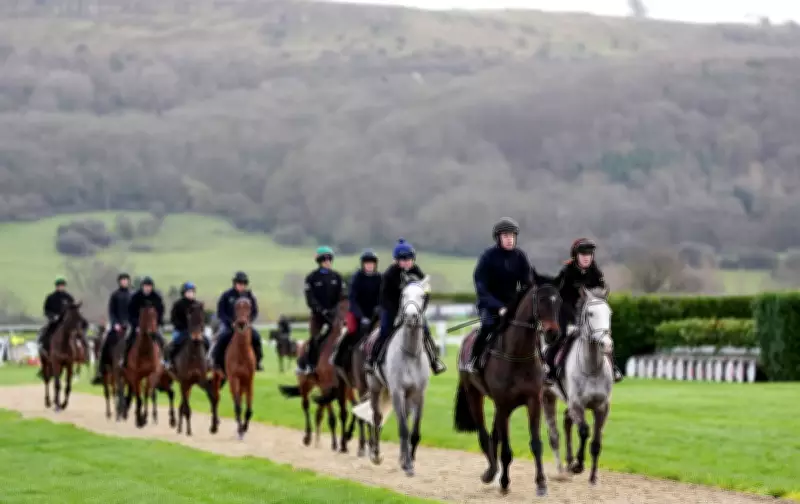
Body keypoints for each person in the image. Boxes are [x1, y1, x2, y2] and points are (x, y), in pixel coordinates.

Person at [544, 238, 623, 383]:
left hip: (589, 314)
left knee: (604, 336)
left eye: (589, 254)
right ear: (576, 256)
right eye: (583, 254)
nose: (587, 258)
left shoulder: (596, 273)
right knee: (560, 336)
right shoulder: (567, 272)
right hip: (566, 311)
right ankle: (550, 370)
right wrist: (573, 319)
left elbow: (601, 296)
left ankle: (614, 368)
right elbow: (561, 297)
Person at [364, 239, 446, 375]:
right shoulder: (390, 274)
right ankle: (373, 360)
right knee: (385, 330)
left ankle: (434, 360)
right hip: (392, 310)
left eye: (409, 258)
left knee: (425, 330)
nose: (407, 261)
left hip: (413, 311)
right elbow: (385, 297)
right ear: (396, 260)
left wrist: (420, 311)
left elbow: (425, 294)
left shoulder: (418, 272)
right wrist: (397, 313)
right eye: (403, 259)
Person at [467, 217, 538, 373]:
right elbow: (480, 286)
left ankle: (541, 363)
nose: (509, 239)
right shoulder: (488, 257)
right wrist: (498, 307)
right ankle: (474, 359)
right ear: (498, 238)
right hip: (489, 305)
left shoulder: (520, 257)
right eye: (506, 236)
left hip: (512, 306)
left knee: (531, 329)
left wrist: (521, 302)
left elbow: (528, 282)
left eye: (512, 236)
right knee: (487, 326)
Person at [332, 249, 382, 368]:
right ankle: (337, 357)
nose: (369, 265)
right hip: (358, 313)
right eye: (367, 263)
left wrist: (379, 309)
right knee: (351, 331)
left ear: (375, 264)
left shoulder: (380, 278)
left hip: (375, 314)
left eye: (371, 263)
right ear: (363, 264)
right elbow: (352, 300)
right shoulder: (357, 278)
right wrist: (362, 316)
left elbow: (383, 297)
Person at [300, 246, 344, 375]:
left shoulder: (337, 277)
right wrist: (321, 310)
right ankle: (310, 365)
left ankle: (343, 365)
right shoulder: (311, 278)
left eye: (329, 259)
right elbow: (310, 299)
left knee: (343, 337)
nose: (327, 262)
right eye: (324, 259)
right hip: (318, 317)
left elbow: (342, 297)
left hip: (334, 315)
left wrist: (336, 311)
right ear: (319, 261)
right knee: (315, 339)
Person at [212, 271, 264, 371]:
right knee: (222, 338)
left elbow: (255, 311)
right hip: (230, 325)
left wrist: (249, 321)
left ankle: (258, 361)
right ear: (235, 283)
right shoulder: (226, 295)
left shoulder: (249, 296)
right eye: (240, 283)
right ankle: (217, 362)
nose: (242, 285)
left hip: (245, 326)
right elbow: (221, 312)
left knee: (256, 337)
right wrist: (230, 322)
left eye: (244, 283)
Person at [91, 272, 131, 385]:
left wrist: (131, 323)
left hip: (129, 325)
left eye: (126, 280)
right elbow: (111, 312)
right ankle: (100, 370)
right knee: (105, 341)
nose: (124, 282)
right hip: (117, 325)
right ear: (119, 282)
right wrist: (116, 324)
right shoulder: (115, 295)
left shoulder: (132, 295)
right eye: (122, 280)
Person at [120, 276, 166, 369]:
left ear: (152, 287)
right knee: (128, 339)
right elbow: (131, 312)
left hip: (153, 325)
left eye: (149, 286)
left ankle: (163, 360)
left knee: (162, 340)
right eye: (145, 286)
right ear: (142, 286)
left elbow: (161, 312)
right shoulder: (136, 297)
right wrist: (136, 325)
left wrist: (157, 323)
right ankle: (124, 360)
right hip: (137, 325)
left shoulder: (156, 297)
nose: (147, 288)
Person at [165, 282, 210, 372]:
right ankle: (169, 363)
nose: (190, 294)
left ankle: (208, 362)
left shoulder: (198, 305)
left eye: (192, 292)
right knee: (173, 345)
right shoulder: (178, 304)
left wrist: (200, 328)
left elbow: (202, 319)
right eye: (188, 292)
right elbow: (174, 319)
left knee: (207, 342)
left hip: (196, 331)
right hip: (181, 330)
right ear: (184, 293)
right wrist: (183, 327)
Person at [37, 277, 74, 354]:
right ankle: (44, 347)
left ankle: (83, 351)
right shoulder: (50, 297)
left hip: (66, 321)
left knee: (78, 332)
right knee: (46, 332)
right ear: (56, 286)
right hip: (54, 321)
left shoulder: (69, 297)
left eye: (62, 285)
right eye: (59, 285)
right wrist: (53, 316)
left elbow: (73, 309)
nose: (61, 287)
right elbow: (46, 310)